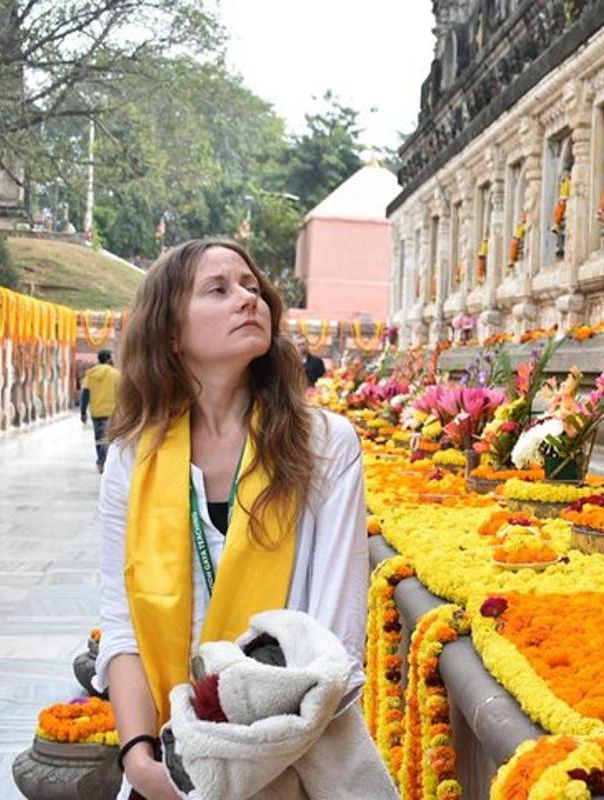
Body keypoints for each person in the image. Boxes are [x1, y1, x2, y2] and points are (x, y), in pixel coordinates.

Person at [94, 238, 392, 799]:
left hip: (288, 760)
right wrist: (139, 760)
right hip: (170, 762)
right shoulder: (133, 459)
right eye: (218, 289)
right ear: (171, 333)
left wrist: (234, 761)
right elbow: (121, 627)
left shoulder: (325, 445)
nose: (246, 299)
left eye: (253, 288)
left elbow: (333, 644)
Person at [81, 349, 120, 472]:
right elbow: (121, 394)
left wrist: (83, 412)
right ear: (109, 358)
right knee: (107, 438)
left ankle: (101, 460)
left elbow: (85, 393)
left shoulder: (90, 374)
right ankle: (105, 461)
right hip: (111, 412)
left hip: (96, 411)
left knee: (99, 438)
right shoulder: (115, 374)